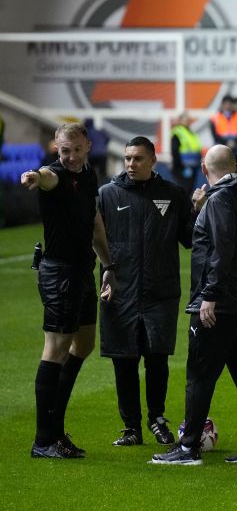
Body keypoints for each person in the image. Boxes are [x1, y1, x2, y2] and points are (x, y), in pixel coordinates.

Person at [151, 145, 237, 465]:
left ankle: (188, 448)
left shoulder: (220, 200)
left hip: (218, 305)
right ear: (235, 166)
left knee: (200, 374)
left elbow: (219, 248)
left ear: (205, 170)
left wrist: (211, 294)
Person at [20, 122, 117, 459]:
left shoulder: (88, 176)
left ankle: (55, 430)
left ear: (88, 146)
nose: (72, 157)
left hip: (82, 271)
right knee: (56, 349)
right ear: (56, 148)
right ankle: (44, 439)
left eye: (77, 150)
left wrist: (108, 265)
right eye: (65, 150)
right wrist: (34, 176)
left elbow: (94, 224)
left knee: (85, 344)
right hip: (58, 272)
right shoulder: (54, 174)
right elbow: (46, 176)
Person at [98, 137, 196, 447]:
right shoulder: (106, 195)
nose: (131, 164)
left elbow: (191, 239)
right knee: (123, 359)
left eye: (138, 159)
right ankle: (131, 428)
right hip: (119, 291)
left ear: (153, 161)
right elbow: (93, 242)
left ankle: (157, 419)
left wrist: (201, 211)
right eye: (127, 158)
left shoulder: (173, 195)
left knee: (157, 358)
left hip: (160, 292)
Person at [209, 95, 237, 179]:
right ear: (222, 105)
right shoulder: (216, 117)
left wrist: (235, 142)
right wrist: (226, 143)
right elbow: (215, 134)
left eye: (230, 104)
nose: (228, 106)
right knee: (223, 172)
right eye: (226, 104)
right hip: (222, 147)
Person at [170, 113, 203, 195]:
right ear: (180, 120)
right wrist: (180, 167)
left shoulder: (191, 132)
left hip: (193, 166)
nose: (188, 121)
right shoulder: (178, 132)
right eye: (185, 119)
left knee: (190, 190)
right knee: (184, 190)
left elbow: (196, 148)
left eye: (189, 119)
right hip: (183, 167)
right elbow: (175, 151)